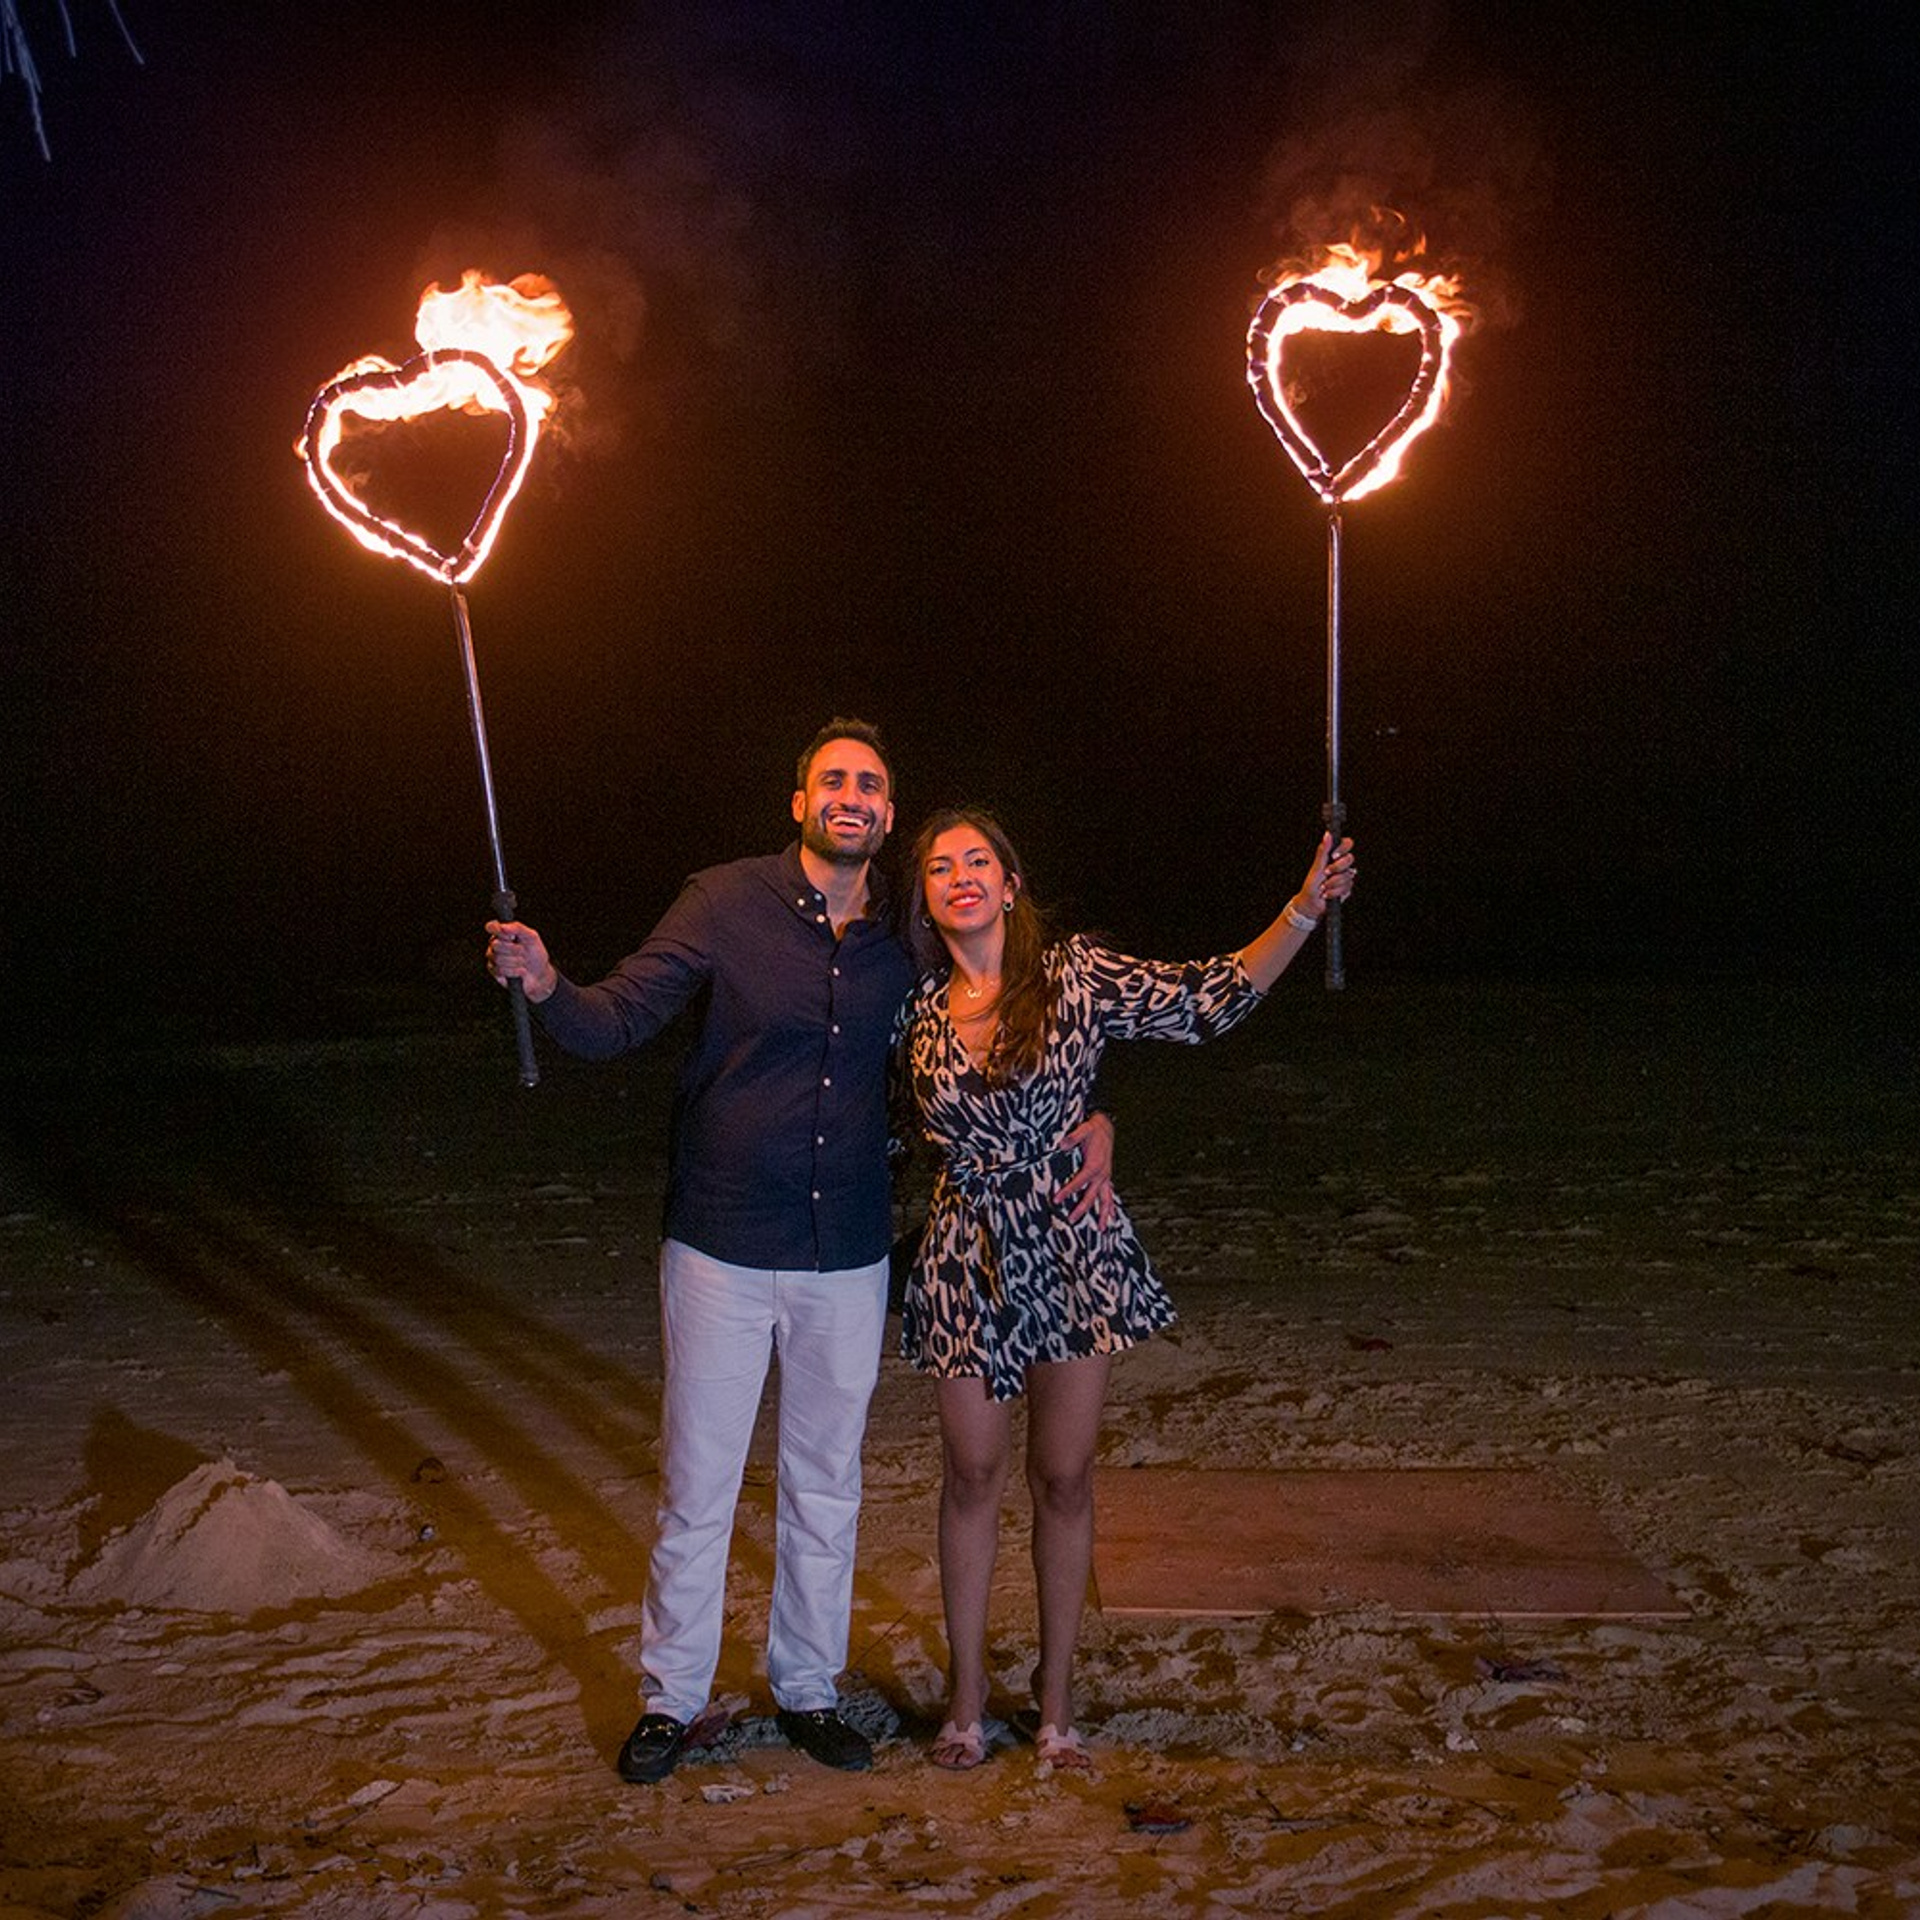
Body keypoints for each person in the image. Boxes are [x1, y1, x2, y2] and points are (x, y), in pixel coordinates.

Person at [485, 721, 1115, 1785]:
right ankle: (672, 1698)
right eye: (833, 781)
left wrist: (1096, 1118)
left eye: (870, 784)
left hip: (849, 1249)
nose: (851, 797)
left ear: (889, 812)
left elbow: (1006, 1021)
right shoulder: (723, 901)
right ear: (800, 802)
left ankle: (809, 1686)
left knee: (827, 1483)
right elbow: (620, 1017)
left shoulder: (908, 938)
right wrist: (548, 984)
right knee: (699, 1482)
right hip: (722, 1241)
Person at [895, 806, 1355, 1772]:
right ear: (925, 898)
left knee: (1063, 1477)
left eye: (979, 860)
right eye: (940, 867)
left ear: (1011, 885)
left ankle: (1057, 1701)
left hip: (1071, 1245)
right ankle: (966, 1697)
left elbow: (1206, 1000)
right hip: (965, 1252)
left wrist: (1303, 912)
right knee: (971, 1473)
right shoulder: (914, 1007)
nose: (961, 875)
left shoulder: (1074, 974)